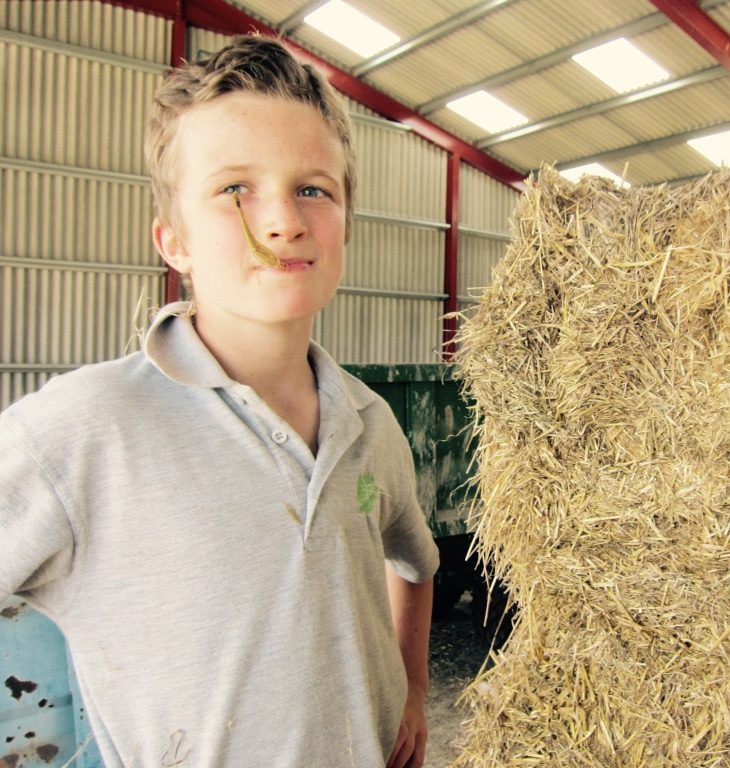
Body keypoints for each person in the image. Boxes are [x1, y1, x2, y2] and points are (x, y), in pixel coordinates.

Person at [0, 35, 438, 768]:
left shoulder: (371, 425)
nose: (283, 222)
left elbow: (416, 563)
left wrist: (415, 691)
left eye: (313, 189)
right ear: (173, 240)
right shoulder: (81, 432)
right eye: (235, 188)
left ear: (345, 226)